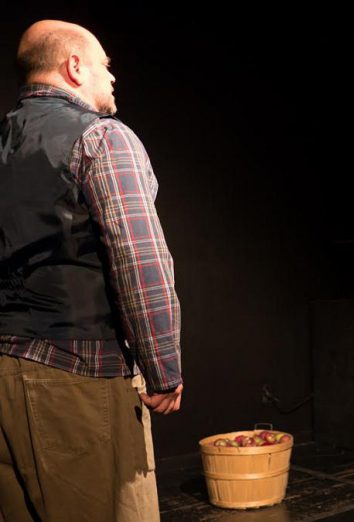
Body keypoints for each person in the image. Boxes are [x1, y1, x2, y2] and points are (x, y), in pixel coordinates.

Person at [0, 20, 182, 521]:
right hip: (78, 375)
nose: (113, 76)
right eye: (104, 64)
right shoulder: (102, 138)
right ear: (74, 67)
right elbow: (139, 260)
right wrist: (163, 368)